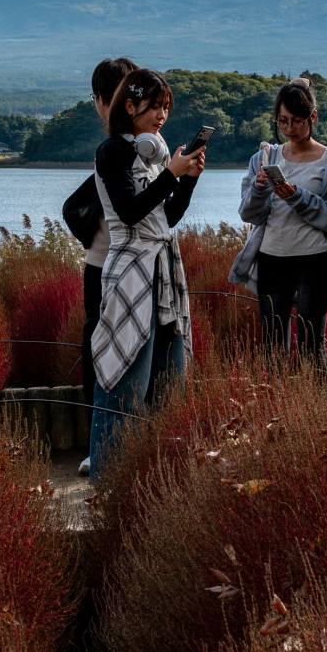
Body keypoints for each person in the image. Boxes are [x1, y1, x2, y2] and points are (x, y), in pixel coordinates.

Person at [90, 68, 205, 467]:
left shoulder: (154, 152)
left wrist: (185, 179)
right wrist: (170, 174)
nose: (161, 116)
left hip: (162, 273)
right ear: (130, 105)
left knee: (166, 384)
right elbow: (130, 212)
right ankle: (106, 483)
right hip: (129, 271)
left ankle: (150, 479)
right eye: (154, 106)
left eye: (166, 108)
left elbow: (166, 217)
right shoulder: (114, 152)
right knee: (123, 382)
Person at [239, 78, 327, 367]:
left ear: (312, 117)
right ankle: (276, 409)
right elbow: (248, 214)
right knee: (273, 351)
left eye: (297, 121)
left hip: (315, 262)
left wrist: (296, 196)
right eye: (282, 121)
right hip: (272, 259)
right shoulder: (263, 157)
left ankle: (316, 408)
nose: (288, 128)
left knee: (313, 349)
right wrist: (260, 189)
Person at [75, 55, 136, 479]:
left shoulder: (118, 150)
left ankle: (101, 448)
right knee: (126, 355)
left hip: (104, 265)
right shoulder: (135, 148)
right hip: (126, 265)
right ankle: (109, 448)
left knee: (100, 354)